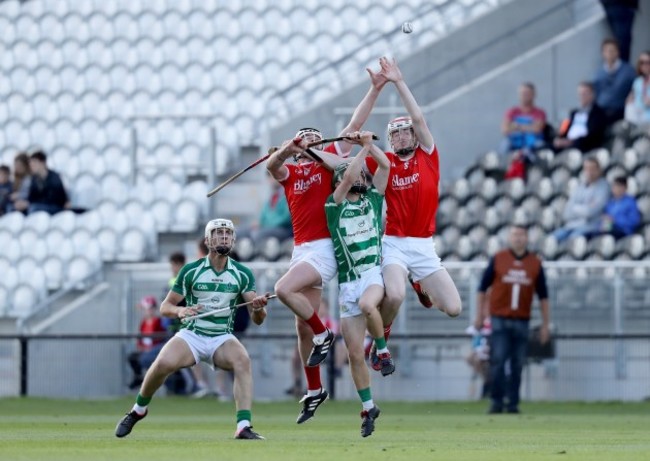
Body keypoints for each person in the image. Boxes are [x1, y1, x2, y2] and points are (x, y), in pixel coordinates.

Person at [266, 66, 388, 424]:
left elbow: (353, 125)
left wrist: (375, 90)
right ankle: (315, 389)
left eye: (314, 140)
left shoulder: (328, 165)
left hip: (323, 249)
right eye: (306, 140)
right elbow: (272, 167)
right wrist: (288, 149)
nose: (311, 145)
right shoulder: (293, 172)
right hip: (300, 250)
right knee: (301, 326)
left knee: (283, 289)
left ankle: (325, 333)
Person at [115, 218, 270, 440]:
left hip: (221, 337)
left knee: (242, 360)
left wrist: (258, 309)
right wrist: (180, 311)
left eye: (227, 234)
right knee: (162, 363)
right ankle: (138, 410)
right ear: (208, 240)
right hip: (192, 335)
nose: (224, 237)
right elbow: (165, 307)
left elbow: (259, 319)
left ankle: (243, 426)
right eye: (218, 233)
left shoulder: (242, 273)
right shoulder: (191, 271)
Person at [364, 57, 462, 371]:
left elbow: (418, 116)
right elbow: (343, 164)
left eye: (407, 132)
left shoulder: (428, 155)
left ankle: (420, 283)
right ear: (390, 141)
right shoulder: (384, 162)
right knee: (393, 297)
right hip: (393, 242)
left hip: (423, 245)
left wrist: (398, 81)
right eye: (396, 134)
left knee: (454, 308)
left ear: (415, 136)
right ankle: (381, 339)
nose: (403, 136)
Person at [325, 131, 392, 437]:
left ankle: (382, 351)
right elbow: (349, 173)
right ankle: (368, 407)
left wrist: (368, 145)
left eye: (363, 174)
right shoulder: (333, 206)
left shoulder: (374, 200)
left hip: (372, 275)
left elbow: (386, 168)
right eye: (355, 174)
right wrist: (359, 153)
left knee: (369, 305)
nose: (362, 176)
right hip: (348, 284)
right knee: (353, 354)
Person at [473, 224, 550, 414]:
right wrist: (480, 315)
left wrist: (545, 325)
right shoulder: (499, 259)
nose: (518, 238)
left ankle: (513, 403)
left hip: (522, 320)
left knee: (517, 363)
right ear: (509, 237)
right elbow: (482, 288)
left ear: (527, 238)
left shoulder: (534, 263)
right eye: (515, 234)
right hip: (499, 318)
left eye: (522, 234)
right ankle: (496, 401)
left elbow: (543, 296)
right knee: (498, 361)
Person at [552, 157, 610, 242]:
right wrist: (582, 208)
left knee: (573, 241)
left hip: (591, 227)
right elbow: (567, 213)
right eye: (586, 169)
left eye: (592, 169)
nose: (589, 172)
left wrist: (575, 208)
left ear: (599, 170)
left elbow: (590, 212)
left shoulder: (604, 187)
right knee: (551, 240)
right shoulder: (579, 187)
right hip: (572, 225)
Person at [553, 81, 608, 153]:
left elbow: (594, 135)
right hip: (566, 145)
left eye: (585, 94)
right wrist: (559, 138)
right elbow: (564, 127)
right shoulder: (573, 113)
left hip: (583, 147)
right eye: (580, 94)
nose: (582, 97)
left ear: (592, 95)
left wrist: (572, 142)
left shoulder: (598, 113)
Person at [127, 296, 167, 390]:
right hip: (145, 350)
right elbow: (140, 338)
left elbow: (161, 338)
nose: (146, 311)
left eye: (148, 309)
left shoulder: (159, 321)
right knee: (132, 357)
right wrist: (141, 346)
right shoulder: (143, 322)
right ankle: (138, 378)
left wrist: (151, 348)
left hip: (155, 351)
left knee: (145, 360)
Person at [593, 38, 636, 126]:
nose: (609, 54)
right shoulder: (599, 73)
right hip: (602, 110)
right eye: (606, 51)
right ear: (603, 53)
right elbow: (597, 91)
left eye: (612, 51)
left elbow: (635, 89)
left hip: (620, 110)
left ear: (618, 52)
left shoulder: (628, 71)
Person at [16, 150, 68, 215]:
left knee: (33, 208)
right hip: (38, 206)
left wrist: (29, 203)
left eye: (34, 164)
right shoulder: (34, 179)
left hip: (55, 207)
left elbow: (55, 199)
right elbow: (32, 197)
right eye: (31, 165)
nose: (32, 167)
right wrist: (24, 203)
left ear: (42, 163)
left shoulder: (54, 177)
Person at [625, 50, 650, 127]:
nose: (645, 65)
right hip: (637, 117)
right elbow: (631, 99)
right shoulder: (637, 82)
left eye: (648, 62)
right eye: (642, 63)